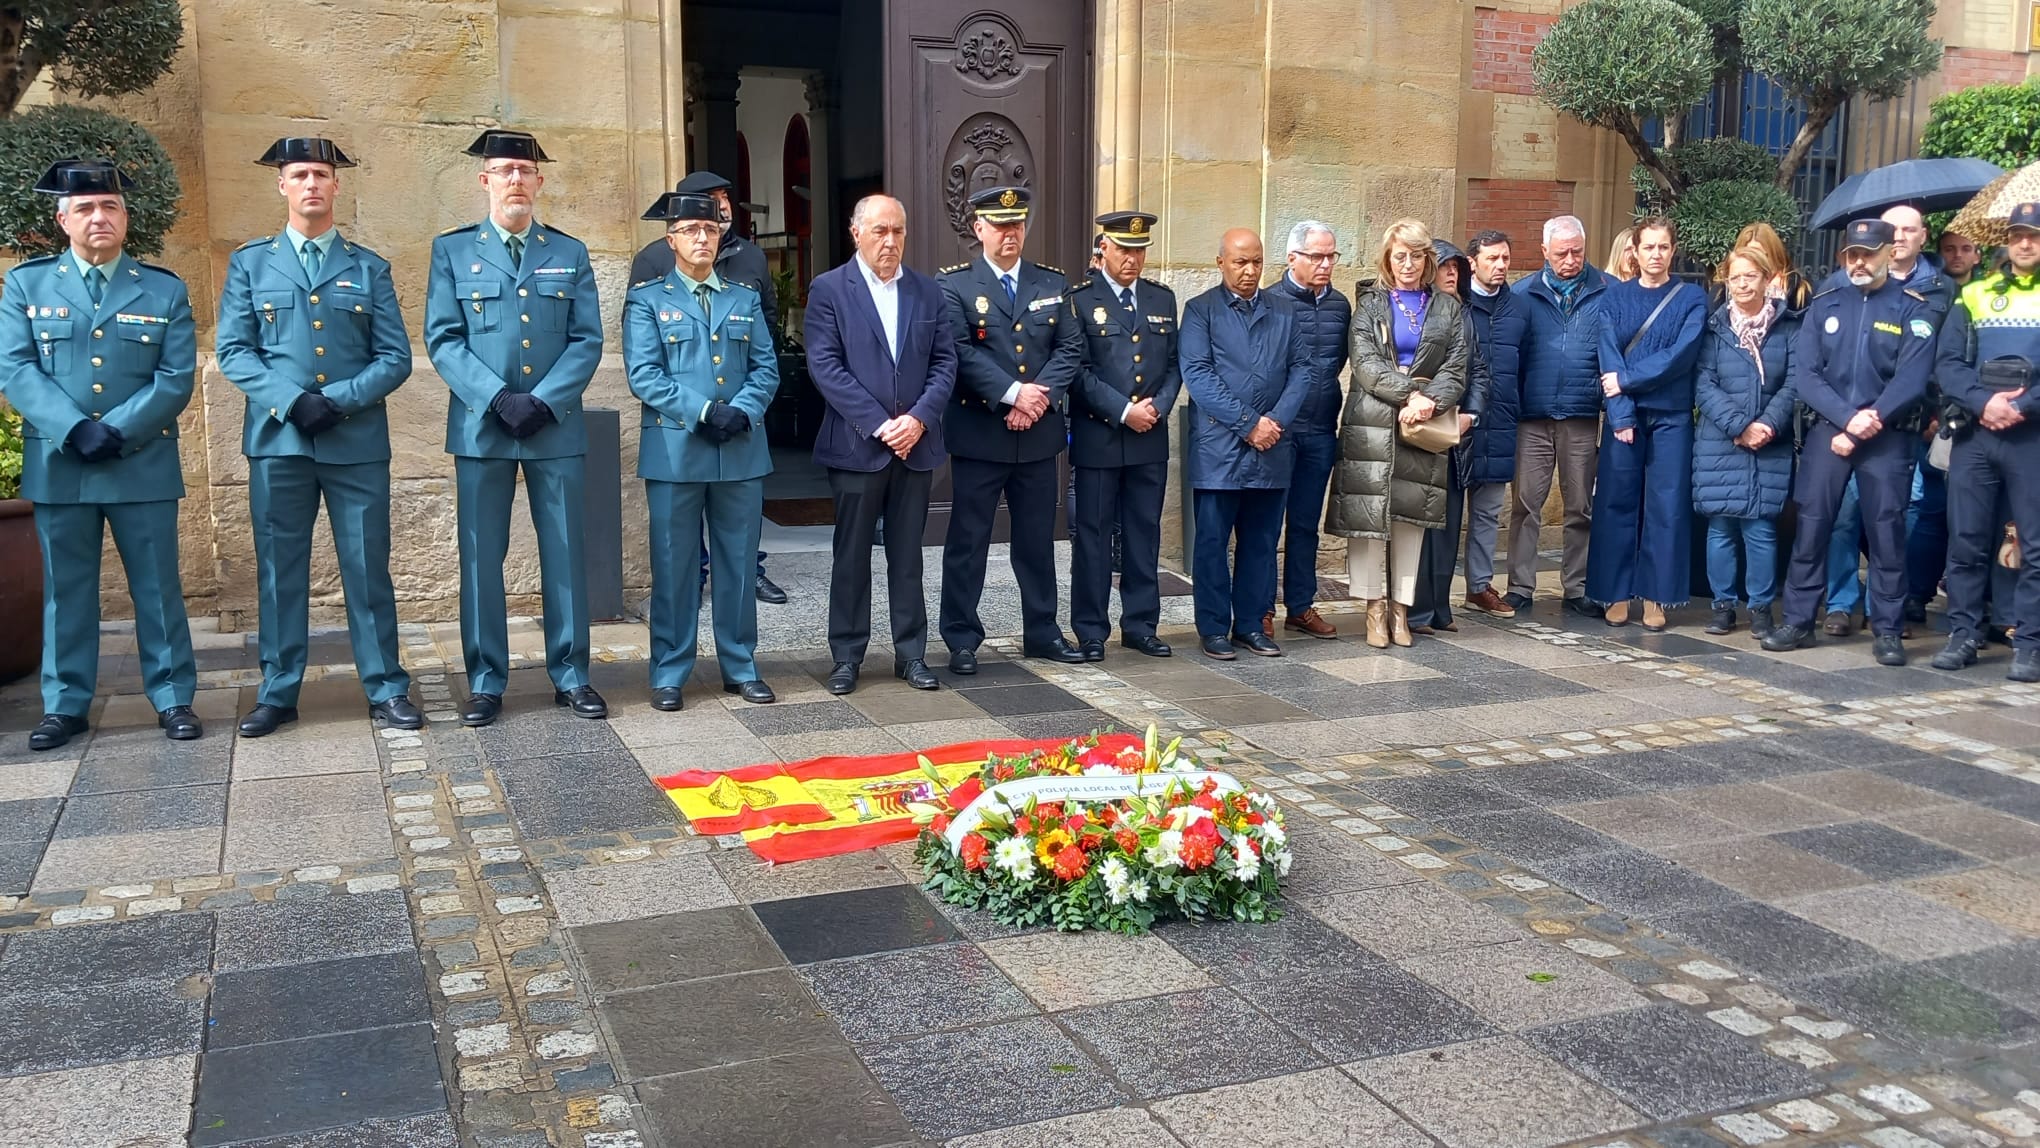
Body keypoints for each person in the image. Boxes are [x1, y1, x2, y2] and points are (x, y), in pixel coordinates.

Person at [216, 137, 420, 737]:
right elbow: (234, 350)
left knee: (367, 568)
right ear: (282, 184)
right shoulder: (251, 264)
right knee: (280, 572)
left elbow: (395, 357)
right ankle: (278, 692)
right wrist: (290, 400)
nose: (311, 184)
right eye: (300, 174)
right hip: (279, 442)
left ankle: (385, 686)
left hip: (354, 442)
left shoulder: (368, 267)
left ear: (337, 187)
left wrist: (337, 401)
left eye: (322, 175)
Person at [2, 160, 200, 750]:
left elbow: (175, 376)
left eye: (109, 206)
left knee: (159, 586)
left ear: (125, 216)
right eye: (85, 209)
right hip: (62, 464)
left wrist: (114, 430)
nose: (98, 217)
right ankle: (64, 705)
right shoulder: (26, 285)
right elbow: (15, 367)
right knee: (66, 589)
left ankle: (173, 697)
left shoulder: (162, 288)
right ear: (63, 219)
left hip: (139, 462)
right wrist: (71, 429)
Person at [422, 129, 604, 728]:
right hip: (483, 427)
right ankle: (484, 679)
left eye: (525, 170)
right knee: (480, 557)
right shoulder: (452, 252)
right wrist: (498, 397)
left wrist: (544, 401)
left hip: (554, 426)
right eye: (503, 170)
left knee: (565, 552)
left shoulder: (568, 253)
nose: (515, 181)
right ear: (485, 181)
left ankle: (572, 674)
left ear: (539, 181)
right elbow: (444, 340)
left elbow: (586, 340)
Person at [624, 191, 780, 708]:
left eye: (710, 230)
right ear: (671, 240)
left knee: (738, 562)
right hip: (676, 452)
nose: (701, 238)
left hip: (739, 448)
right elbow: (644, 375)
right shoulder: (648, 299)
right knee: (675, 564)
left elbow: (766, 367)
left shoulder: (744, 297)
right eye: (690, 230)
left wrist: (742, 409)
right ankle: (669, 671)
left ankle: (741, 664)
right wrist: (705, 411)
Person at [1763, 219, 1937, 665]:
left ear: (1887, 254)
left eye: (1868, 253)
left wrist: (1869, 420)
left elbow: (1913, 378)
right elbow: (1807, 375)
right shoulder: (1826, 303)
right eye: (1851, 254)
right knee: (1813, 527)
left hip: (1888, 436)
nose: (1859, 262)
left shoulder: (1911, 307)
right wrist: (1846, 420)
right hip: (1829, 433)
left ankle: (1888, 629)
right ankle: (1799, 620)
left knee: (1887, 532)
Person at [803, 194, 956, 695]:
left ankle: (911, 654)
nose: (890, 242)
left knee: (908, 554)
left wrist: (918, 419)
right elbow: (825, 366)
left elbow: (944, 364)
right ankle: (847, 656)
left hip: (915, 447)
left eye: (898, 232)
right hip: (855, 447)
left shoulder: (928, 293)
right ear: (856, 233)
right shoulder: (829, 290)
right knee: (851, 556)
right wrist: (879, 423)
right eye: (880, 232)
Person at [935, 186, 1085, 673]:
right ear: (978, 229)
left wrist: (1035, 397)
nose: (1009, 234)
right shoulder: (953, 286)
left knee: (1038, 540)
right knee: (968, 541)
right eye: (999, 226)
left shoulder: (1051, 283)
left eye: (1017, 225)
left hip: (1038, 435)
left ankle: (1042, 631)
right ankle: (961, 637)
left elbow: (1070, 349)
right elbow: (960, 352)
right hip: (982, 433)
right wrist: (1012, 394)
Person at [1329, 219, 1470, 648]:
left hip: (1422, 425)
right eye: (1400, 256)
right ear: (1388, 259)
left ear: (1428, 259)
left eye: (1416, 255)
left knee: (1412, 520)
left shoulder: (1448, 307)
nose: (1408, 264)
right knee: (1370, 520)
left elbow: (1457, 365)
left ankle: (1400, 610)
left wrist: (1431, 401)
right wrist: (1410, 394)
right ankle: (1373, 608)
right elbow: (1366, 363)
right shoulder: (1370, 303)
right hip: (1372, 423)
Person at [1178, 227, 1311, 660]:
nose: (1250, 271)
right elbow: (1198, 375)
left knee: (1260, 541)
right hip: (1220, 449)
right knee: (1213, 543)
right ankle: (1214, 627)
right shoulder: (1201, 312)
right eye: (1240, 262)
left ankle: (1252, 624)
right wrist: (1249, 423)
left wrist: (1275, 422)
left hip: (1272, 448)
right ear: (1221, 264)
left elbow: (1302, 371)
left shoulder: (1285, 311)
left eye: (1256, 262)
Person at [1929, 200, 2040, 682]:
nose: (2025, 242)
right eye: (2018, 234)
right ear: (2004, 240)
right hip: (1976, 433)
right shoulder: (1975, 293)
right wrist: (1983, 402)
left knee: (2035, 545)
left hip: (2031, 434)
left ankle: (2030, 642)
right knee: (1967, 539)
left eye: (2034, 235)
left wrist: (2022, 406)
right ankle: (1965, 632)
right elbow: (1947, 363)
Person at [1067, 210, 1182, 659]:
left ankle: (1140, 623)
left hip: (1148, 437)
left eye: (1139, 250)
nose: (1132, 259)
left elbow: (1174, 364)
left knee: (1143, 533)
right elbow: (1077, 371)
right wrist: (1123, 410)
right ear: (1104, 250)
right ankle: (1091, 630)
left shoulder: (1160, 299)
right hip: (1100, 436)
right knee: (1093, 537)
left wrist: (1159, 405)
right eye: (1123, 250)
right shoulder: (1079, 300)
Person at [1588, 216, 1704, 630]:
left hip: (1671, 413)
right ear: (1633, 252)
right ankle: (1615, 592)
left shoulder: (1692, 297)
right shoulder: (1614, 298)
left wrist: (1627, 380)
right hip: (1626, 414)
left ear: (1673, 251)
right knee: (1616, 501)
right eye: (1648, 247)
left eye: (1663, 247)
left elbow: (1681, 354)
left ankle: (1656, 595)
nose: (1655, 255)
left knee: (1666, 504)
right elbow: (1608, 356)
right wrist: (1620, 413)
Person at [1505, 215, 1611, 618]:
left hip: (1582, 413)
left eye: (1577, 251)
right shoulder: (1521, 294)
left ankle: (1577, 586)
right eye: (1562, 252)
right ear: (1544, 252)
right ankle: (1518, 586)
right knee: (1525, 505)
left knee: (1580, 505)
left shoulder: (1607, 291)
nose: (1570, 259)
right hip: (1531, 415)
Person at [1693, 244, 1799, 639]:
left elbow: (1794, 382)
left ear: (1767, 279)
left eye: (1750, 276)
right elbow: (1703, 382)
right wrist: (1739, 425)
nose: (1741, 284)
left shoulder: (1788, 328)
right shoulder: (1714, 329)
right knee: (1720, 528)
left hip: (1768, 442)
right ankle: (1722, 606)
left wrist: (1767, 425)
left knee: (1760, 529)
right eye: (1734, 276)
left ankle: (1759, 608)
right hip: (1721, 441)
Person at [1266, 220, 1350, 639]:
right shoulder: (1270, 302)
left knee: (1304, 524)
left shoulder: (1340, 306)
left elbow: (1337, 364)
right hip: (1278, 431)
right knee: (1265, 523)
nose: (1325, 264)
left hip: (1320, 428)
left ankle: (1300, 605)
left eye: (1331, 255)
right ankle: (1259, 606)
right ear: (1292, 257)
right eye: (1316, 256)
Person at [1407, 239, 1490, 634]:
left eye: (1458, 267)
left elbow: (1479, 372)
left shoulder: (1465, 315)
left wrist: (1471, 414)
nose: (1452, 273)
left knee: (1448, 524)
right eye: (1444, 266)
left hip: (1456, 435)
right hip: (1419, 429)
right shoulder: (1414, 312)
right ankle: (1416, 611)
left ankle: (1440, 608)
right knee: (1418, 525)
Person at [1453, 229, 1524, 619]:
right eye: (1492, 259)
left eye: (1505, 259)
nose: (1499, 266)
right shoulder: (1455, 307)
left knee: (1487, 513)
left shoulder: (1519, 309)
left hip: (1500, 422)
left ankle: (1479, 586)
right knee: (1445, 513)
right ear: (1472, 263)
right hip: (1457, 423)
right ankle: (1430, 591)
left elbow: (1526, 365)